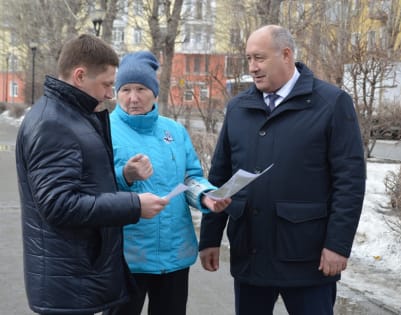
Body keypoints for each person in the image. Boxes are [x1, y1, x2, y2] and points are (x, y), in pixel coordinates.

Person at [199, 25, 366, 315]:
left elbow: (349, 181)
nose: (252, 68)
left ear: (286, 55)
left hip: (306, 257)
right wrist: (210, 239)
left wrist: (338, 245)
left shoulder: (331, 103)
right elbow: (220, 176)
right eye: (249, 59)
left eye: (259, 58)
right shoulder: (238, 107)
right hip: (250, 253)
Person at [15, 34, 168, 315]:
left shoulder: (71, 115)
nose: (111, 93)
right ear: (80, 75)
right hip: (67, 280)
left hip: (74, 274)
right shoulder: (53, 123)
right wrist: (134, 205)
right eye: (107, 84)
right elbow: (58, 205)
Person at [103, 51, 231, 315]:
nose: (133, 97)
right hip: (127, 257)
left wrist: (205, 196)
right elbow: (93, 189)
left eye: (141, 88)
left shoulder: (174, 130)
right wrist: (125, 175)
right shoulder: (103, 130)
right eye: (125, 89)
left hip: (174, 254)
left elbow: (190, 177)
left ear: (155, 92)